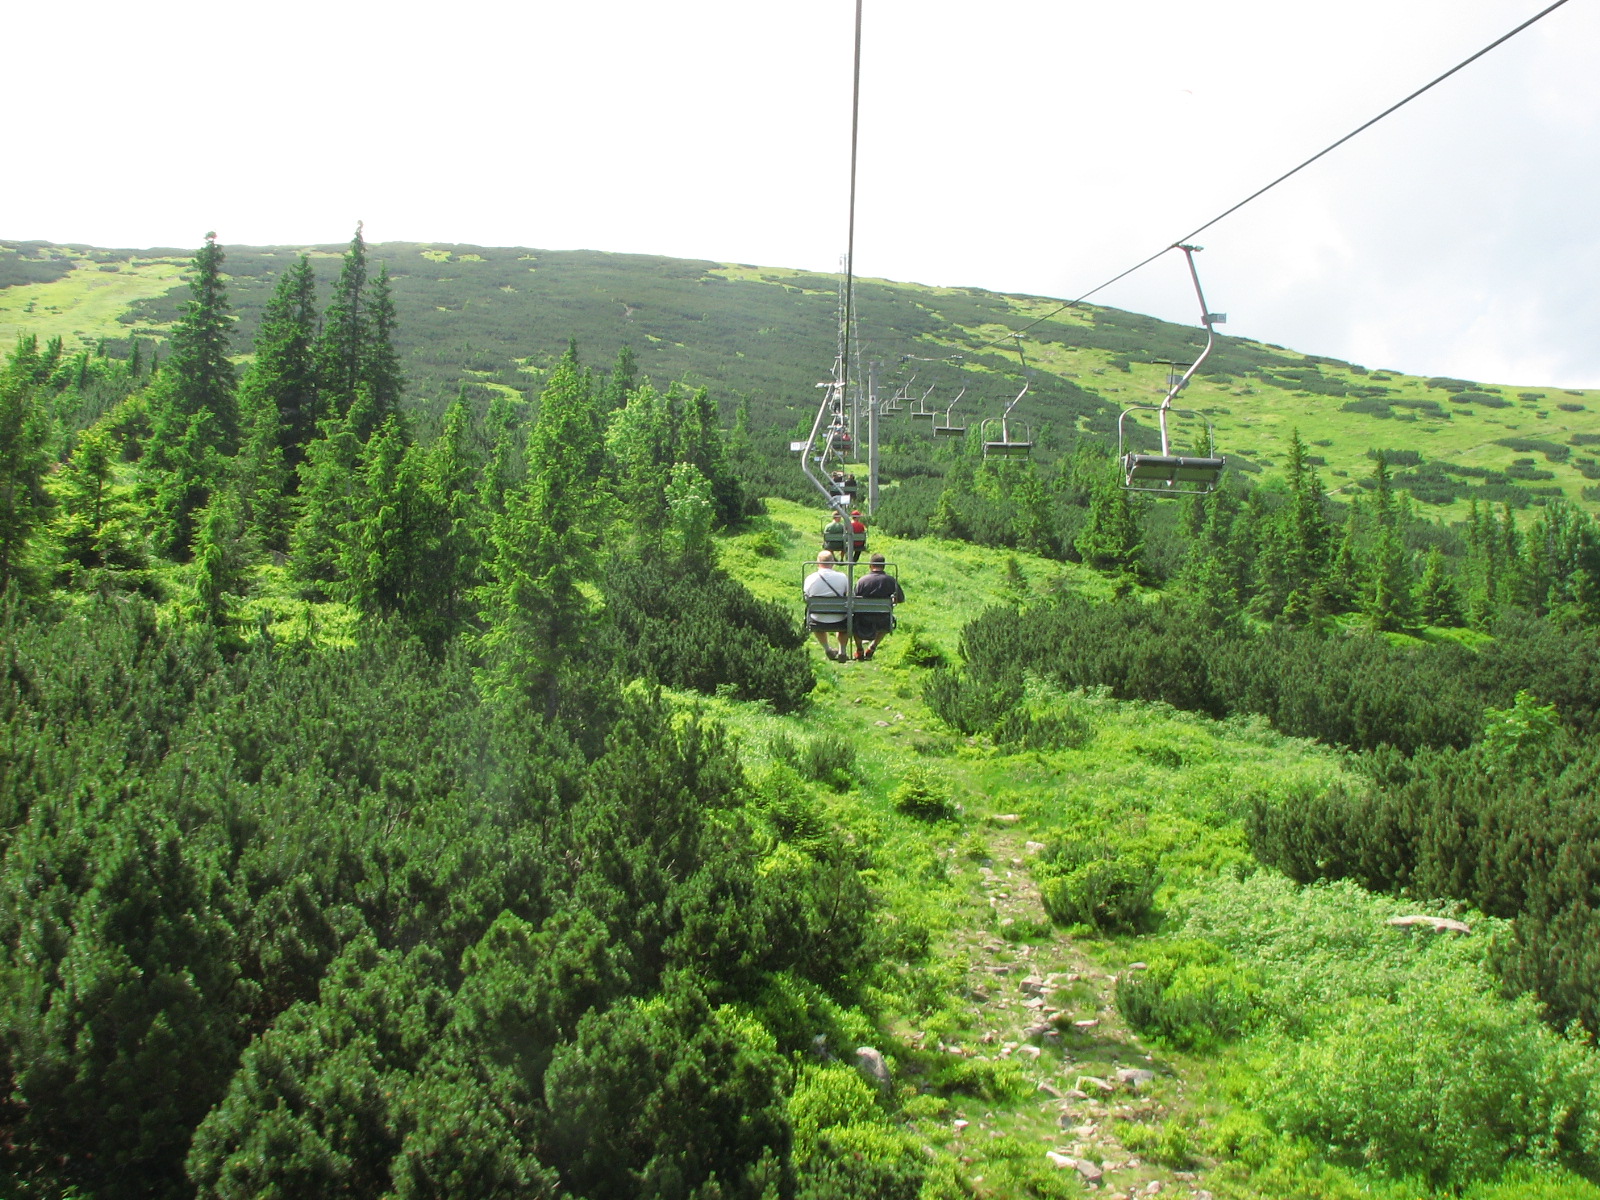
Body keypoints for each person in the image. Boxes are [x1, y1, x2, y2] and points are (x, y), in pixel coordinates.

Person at [852, 553, 904, 661]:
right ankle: (873, 647)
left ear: (870, 565)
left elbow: (854, 599)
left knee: (853, 621)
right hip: (882, 618)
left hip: (863, 618)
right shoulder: (891, 581)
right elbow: (901, 599)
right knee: (887, 623)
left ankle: (859, 649)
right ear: (884, 566)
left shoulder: (862, 581)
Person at [803, 550, 853, 661]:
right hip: (839, 617)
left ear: (817, 562)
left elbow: (806, 596)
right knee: (846, 623)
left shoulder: (810, 578)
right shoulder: (842, 577)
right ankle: (842, 651)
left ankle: (827, 649)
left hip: (818, 617)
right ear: (833, 562)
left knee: (816, 623)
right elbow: (851, 595)